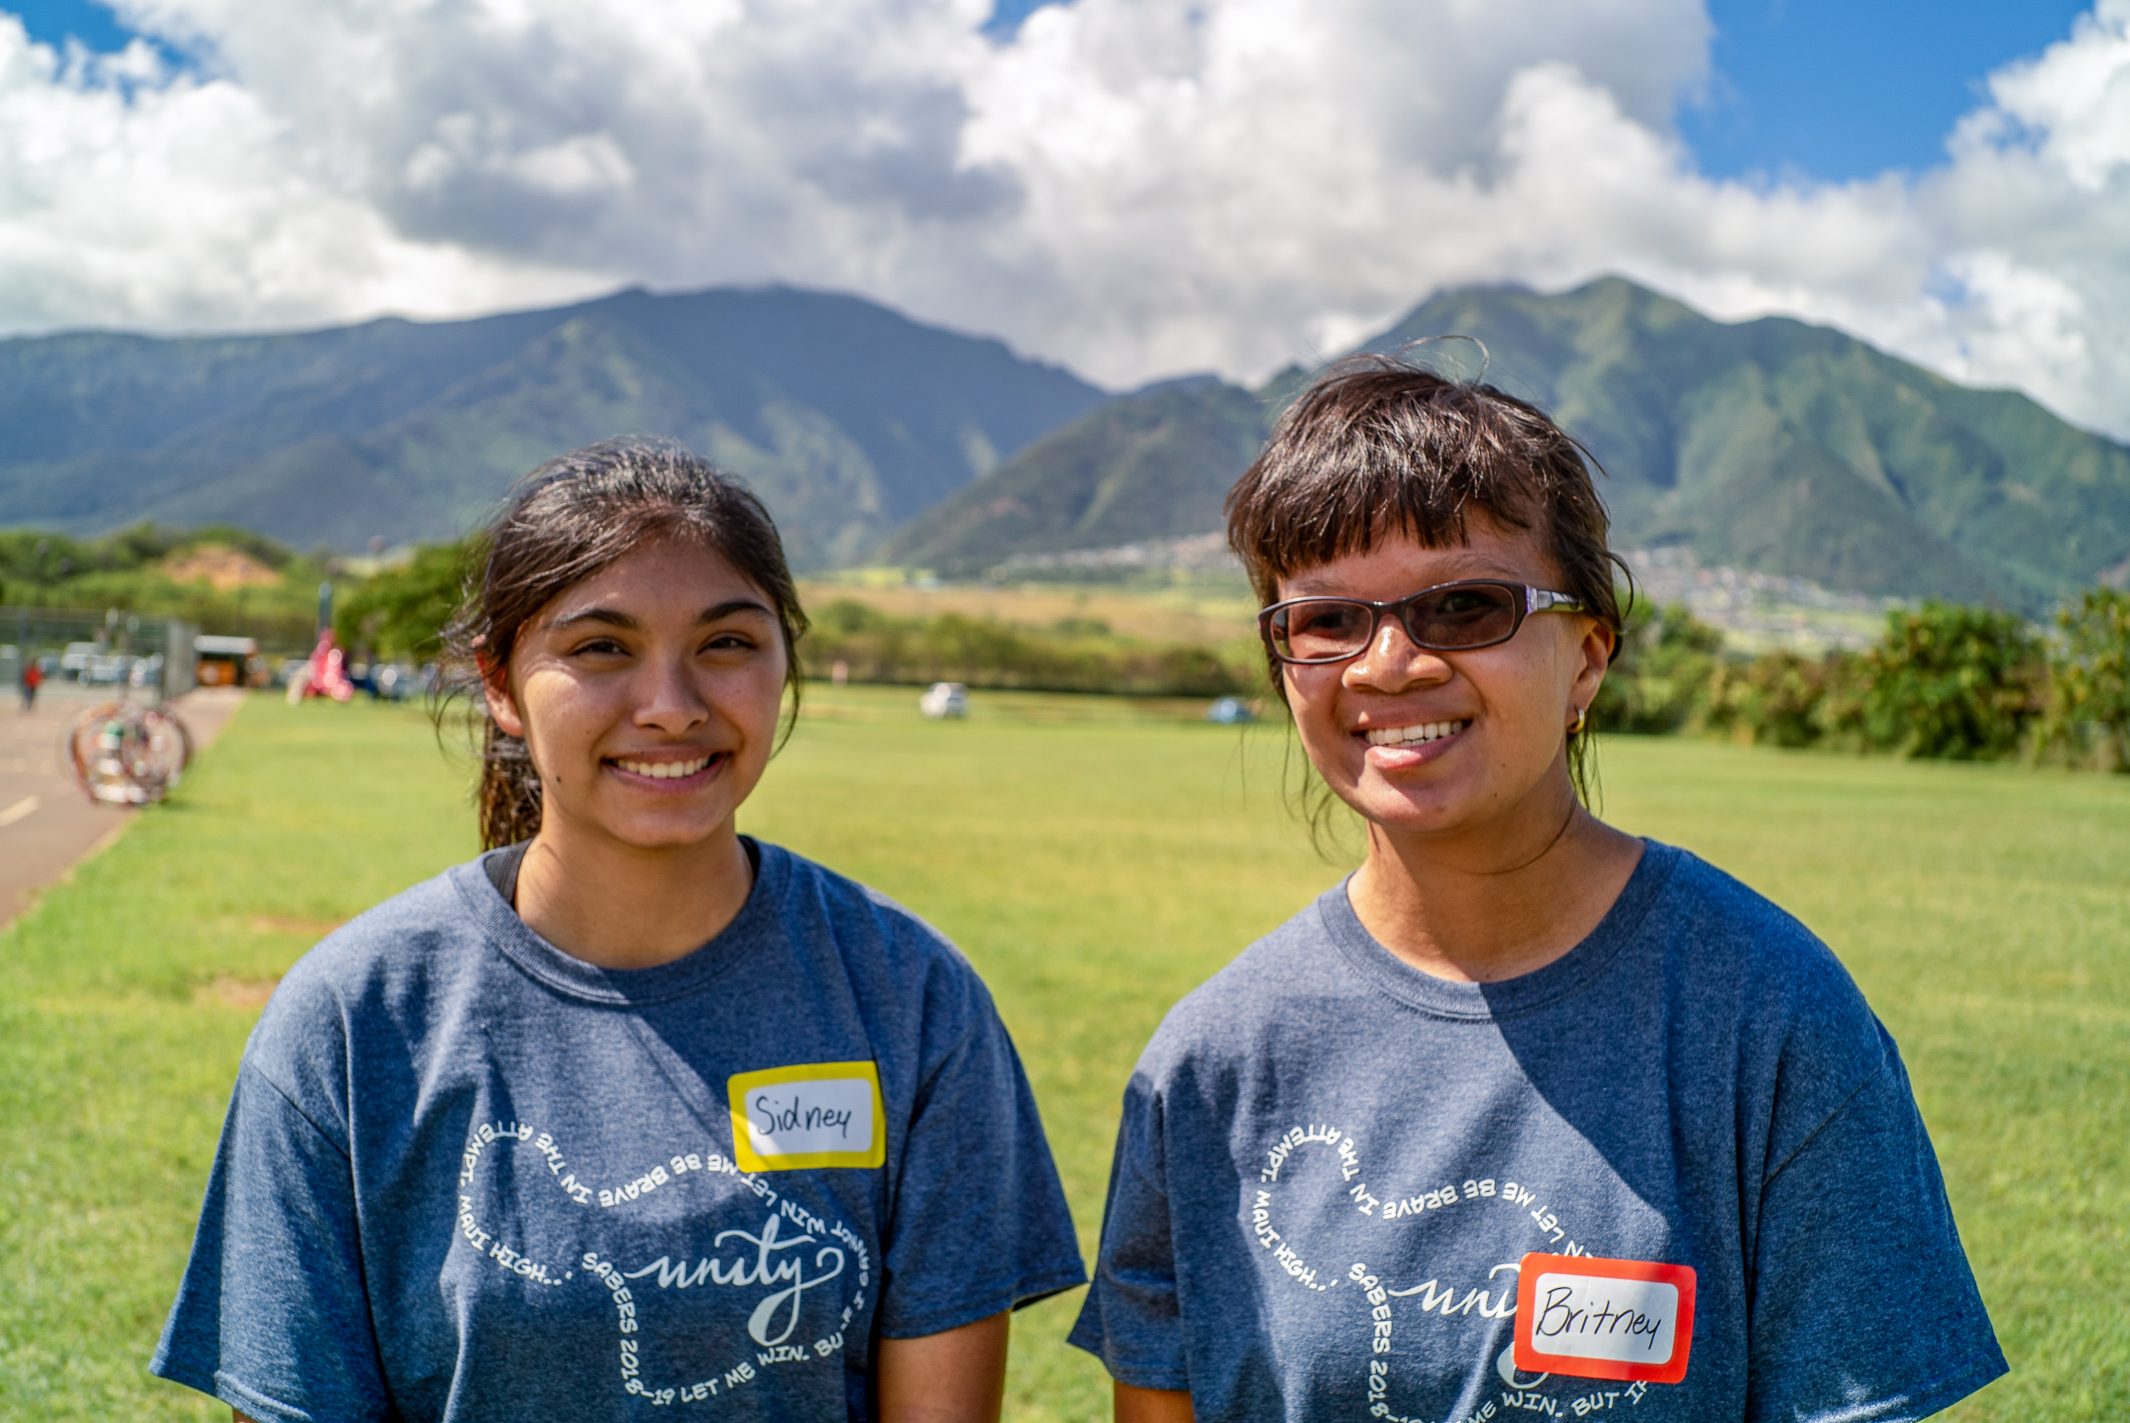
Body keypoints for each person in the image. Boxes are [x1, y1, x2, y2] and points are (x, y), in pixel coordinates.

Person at [1068, 357, 2005, 1421]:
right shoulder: (1210, 1064)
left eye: (1465, 606)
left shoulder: (1771, 1019)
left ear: (1590, 659)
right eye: (1328, 620)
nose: (1387, 665)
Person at [153, 437, 1084, 1422]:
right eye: (602, 648)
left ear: (784, 662)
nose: (672, 707)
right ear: (501, 684)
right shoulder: (350, 1023)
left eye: (726, 643)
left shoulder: (914, 998)